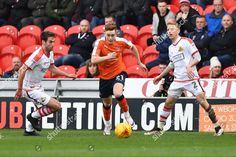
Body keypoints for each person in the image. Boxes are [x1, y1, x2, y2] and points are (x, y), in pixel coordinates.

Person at [145, 22, 224, 137]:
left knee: (202, 100)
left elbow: (198, 57)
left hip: (191, 79)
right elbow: (172, 64)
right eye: (168, 30)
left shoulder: (186, 42)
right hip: (178, 80)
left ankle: (217, 126)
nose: (169, 31)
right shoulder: (171, 48)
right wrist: (160, 76)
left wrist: (189, 66)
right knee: (168, 102)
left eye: (172, 29)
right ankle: (159, 129)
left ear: (178, 30)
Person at [14, 31, 77, 136]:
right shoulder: (37, 56)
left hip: (38, 87)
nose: (53, 44)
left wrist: (67, 74)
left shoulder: (50, 53)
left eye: (54, 42)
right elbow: (22, 70)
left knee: (40, 109)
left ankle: (29, 130)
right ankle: (32, 116)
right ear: (43, 42)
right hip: (29, 89)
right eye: (50, 42)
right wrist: (20, 89)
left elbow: (51, 67)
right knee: (56, 106)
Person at [91, 23, 146, 135]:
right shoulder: (99, 43)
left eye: (112, 35)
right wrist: (108, 57)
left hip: (119, 71)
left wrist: (139, 62)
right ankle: (107, 125)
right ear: (104, 34)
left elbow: (133, 47)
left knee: (117, 93)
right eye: (108, 35)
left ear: (115, 33)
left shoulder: (121, 41)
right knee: (107, 104)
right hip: (105, 77)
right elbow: (93, 60)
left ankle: (128, 116)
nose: (111, 38)